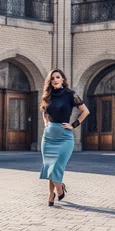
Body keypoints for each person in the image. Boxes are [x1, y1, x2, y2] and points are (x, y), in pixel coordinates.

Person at [39, 68, 90, 206]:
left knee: (56, 166)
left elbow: (85, 111)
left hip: (64, 137)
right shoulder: (47, 96)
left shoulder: (70, 94)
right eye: (52, 78)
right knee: (50, 167)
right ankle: (51, 194)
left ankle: (60, 190)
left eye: (57, 77)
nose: (55, 80)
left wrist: (73, 125)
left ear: (62, 79)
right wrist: (46, 125)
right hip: (48, 137)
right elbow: (45, 112)